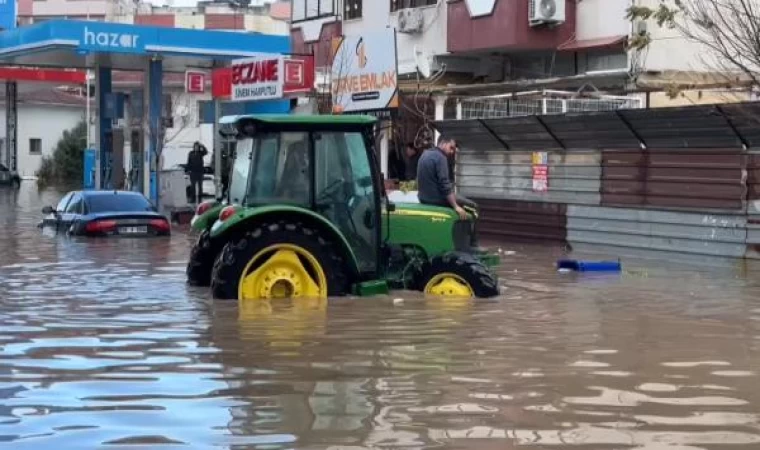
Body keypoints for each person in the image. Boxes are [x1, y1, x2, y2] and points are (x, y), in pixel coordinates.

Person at [417, 135, 481, 249]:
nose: (452, 152)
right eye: (451, 147)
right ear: (443, 143)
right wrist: (456, 206)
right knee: (474, 207)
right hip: (436, 198)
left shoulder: (425, 154)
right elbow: (445, 184)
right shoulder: (440, 158)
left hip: (423, 197)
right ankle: (473, 245)